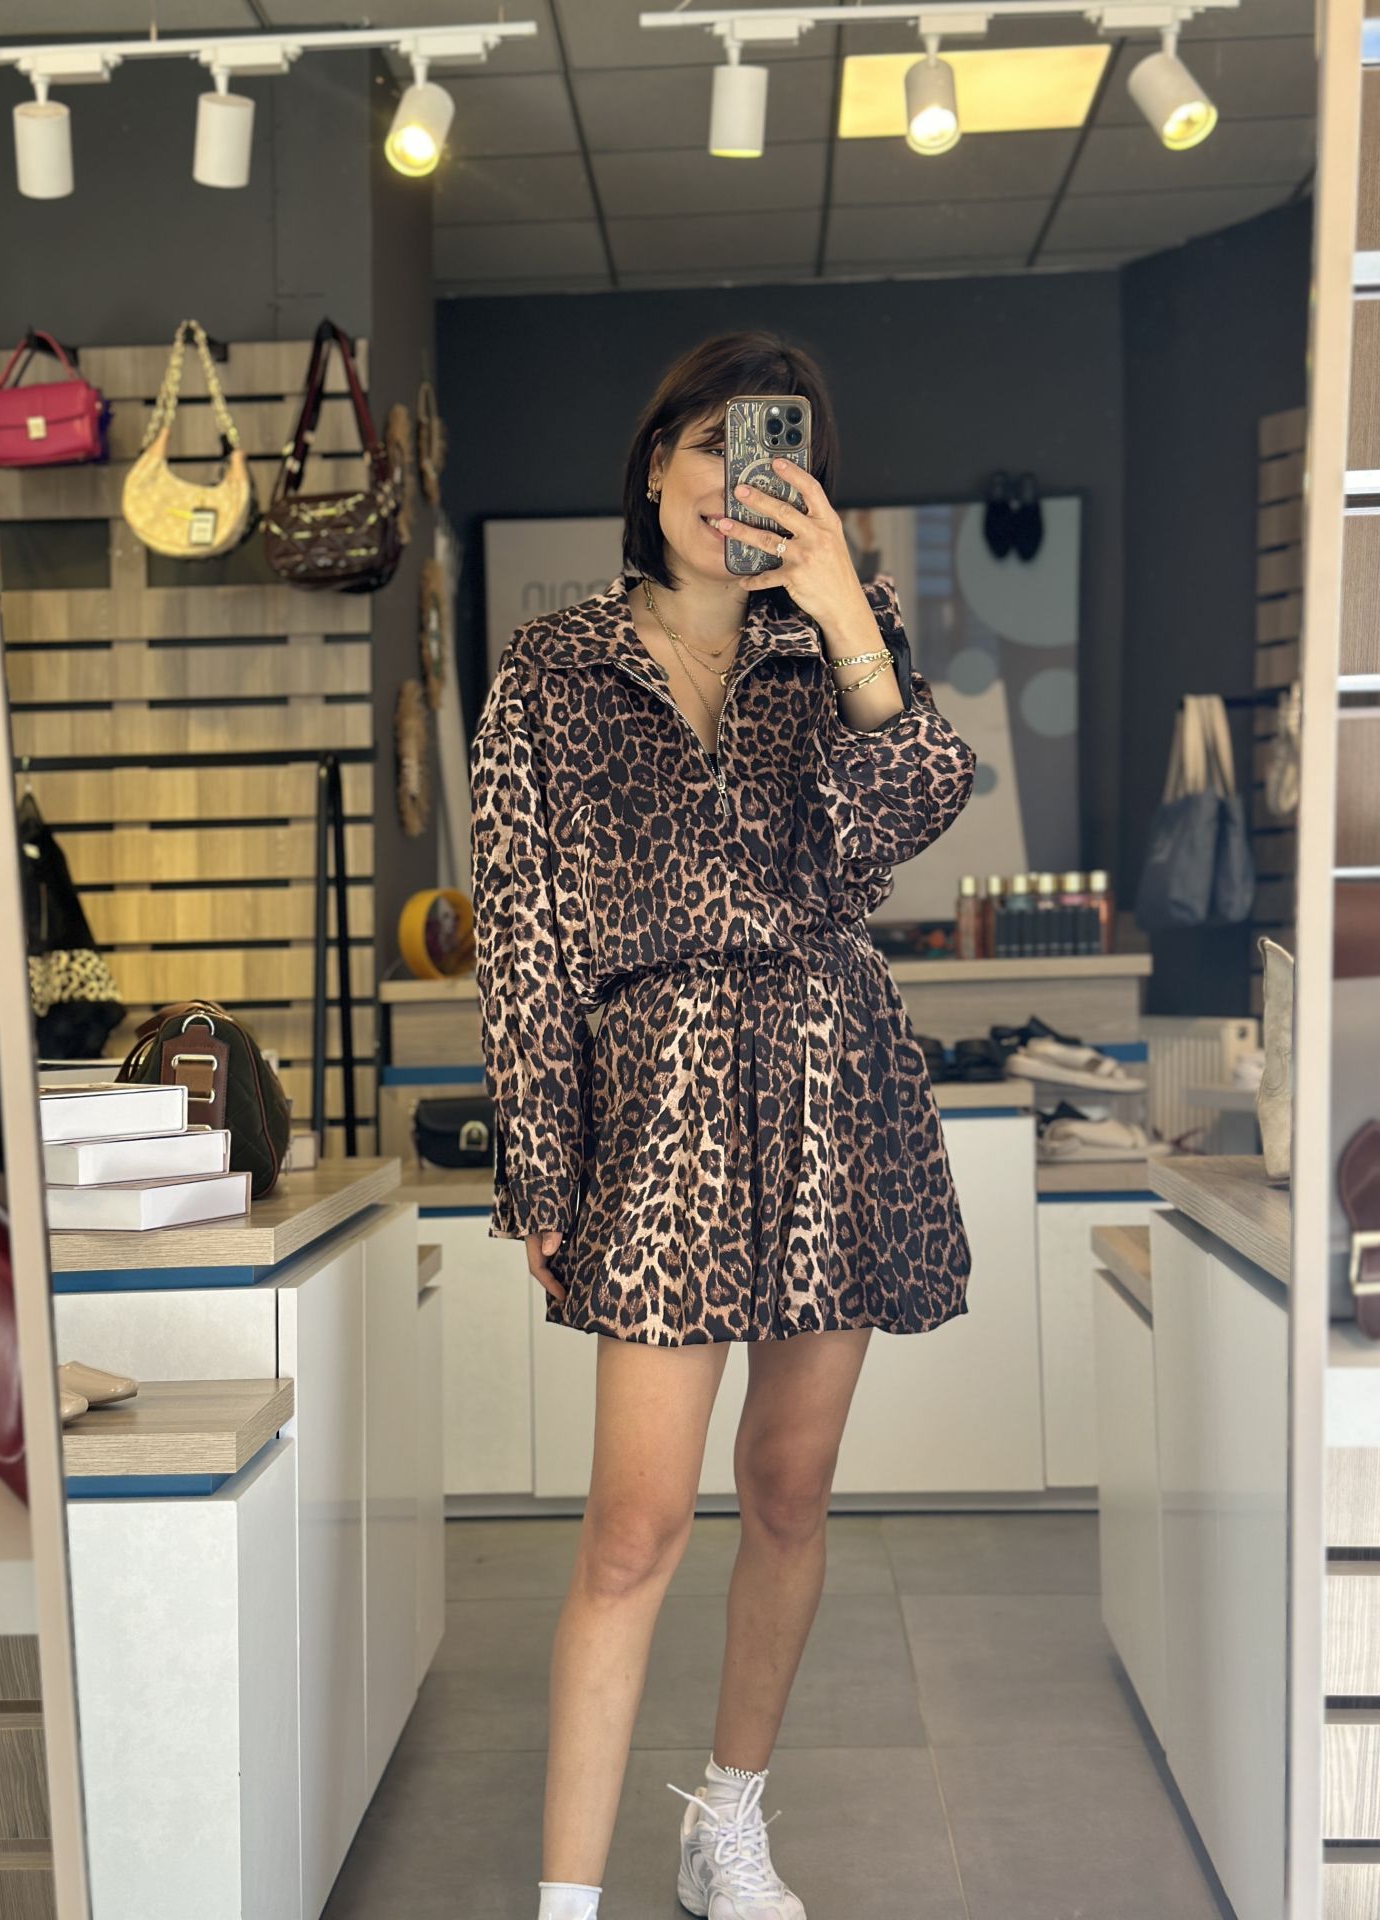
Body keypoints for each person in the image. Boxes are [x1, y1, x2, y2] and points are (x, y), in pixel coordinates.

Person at [468, 331, 977, 1920]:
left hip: (833, 1081)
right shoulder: (549, 672)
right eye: (710, 446)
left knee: (788, 1490)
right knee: (632, 1528)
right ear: (656, 464)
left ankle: (726, 1827)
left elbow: (913, 811)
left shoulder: (836, 639)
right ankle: (566, 1902)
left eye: (772, 454)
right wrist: (541, 1165)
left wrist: (844, 617)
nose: (734, 481)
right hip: (664, 1105)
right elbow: (523, 938)